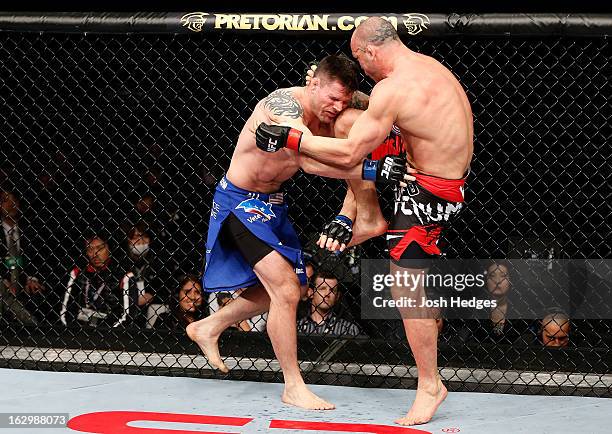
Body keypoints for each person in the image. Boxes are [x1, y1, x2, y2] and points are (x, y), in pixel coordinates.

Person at [255, 17, 473, 426]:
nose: (362, 73)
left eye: (360, 61)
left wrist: (290, 138)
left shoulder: (392, 88)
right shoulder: (427, 67)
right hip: (435, 174)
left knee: (407, 288)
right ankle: (366, 215)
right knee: (347, 121)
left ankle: (430, 384)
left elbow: (348, 156)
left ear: (370, 52)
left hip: (429, 191)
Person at [187, 54, 409, 411]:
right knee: (287, 291)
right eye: (331, 98)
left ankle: (209, 327)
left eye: (343, 99)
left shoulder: (338, 104)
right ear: (314, 83)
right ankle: (293, 385)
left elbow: (372, 108)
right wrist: (373, 169)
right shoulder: (283, 108)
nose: (336, 107)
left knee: (296, 288)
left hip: (273, 205)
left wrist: (388, 125)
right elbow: (309, 159)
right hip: (240, 203)